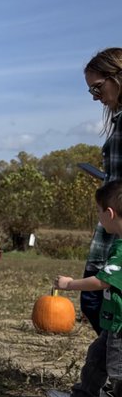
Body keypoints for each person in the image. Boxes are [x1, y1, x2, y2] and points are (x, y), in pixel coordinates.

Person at [47, 179, 122, 397]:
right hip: (114, 324)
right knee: (98, 357)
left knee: (119, 372)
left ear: (109, 213)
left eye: (99, 212)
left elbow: (102, 281)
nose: (98, 218)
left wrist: (70, 284)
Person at [76, 48, 122, 333]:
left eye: (97, 87)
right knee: (96, 301)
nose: (95, 96)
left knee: (97, 300)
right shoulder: (118, 120)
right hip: (111, 219)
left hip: (118, 223)